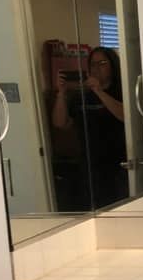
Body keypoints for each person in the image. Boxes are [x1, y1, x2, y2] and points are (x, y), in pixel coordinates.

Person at [53, 46, 129, 208]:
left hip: (119, 166)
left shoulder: (122, 91)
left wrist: (99, 91)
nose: (96, 69)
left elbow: (126, 117)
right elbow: (61, 123)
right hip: (89, 166)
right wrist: (61, 93)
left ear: (112, 66)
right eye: (93, 65)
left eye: (102, 63)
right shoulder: (81, 96)